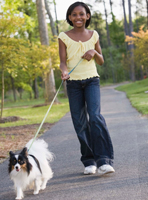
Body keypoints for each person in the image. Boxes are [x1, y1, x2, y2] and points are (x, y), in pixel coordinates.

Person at [58, 1, 115, 176]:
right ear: (69, 17)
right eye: (74, 15)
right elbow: (62, 62)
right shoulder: (63, 36)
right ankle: (89, 160)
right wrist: (65, 72)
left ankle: (104, 160)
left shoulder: (94, 34)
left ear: (87, 16)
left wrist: (95, 53)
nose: (78, 17)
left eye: (81, 14)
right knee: (80, 122)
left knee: (95, 117)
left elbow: (101, 60)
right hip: (73, 84)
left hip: (91, 81)